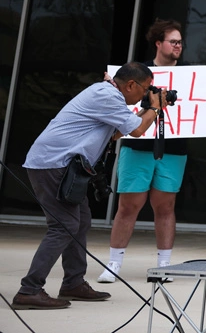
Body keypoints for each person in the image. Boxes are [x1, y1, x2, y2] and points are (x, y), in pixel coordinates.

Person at [15, 63, 162, 310]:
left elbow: (117, 133)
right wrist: (155, 108)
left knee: (80, 220)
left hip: (61, 166)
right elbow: (137, 130)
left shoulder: (108, 95)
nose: (146, 95)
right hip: (53, 164)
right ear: (130, 85)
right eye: (145, 89)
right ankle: (29, 290)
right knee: (64, 226)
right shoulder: (107, 95)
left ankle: (73, 283)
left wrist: (147, 110)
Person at [99, 19, 206, 283]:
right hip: (137, 144)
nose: (178, 46)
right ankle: (113, 264)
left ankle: (164, 264)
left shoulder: (191, 76)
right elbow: (121, 101)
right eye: (173, 41)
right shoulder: (137, 72)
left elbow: (196, 111)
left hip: (174, 148)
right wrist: (111, 85)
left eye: (180, 42)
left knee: (165, 206)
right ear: (158, 43)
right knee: (128, 205)